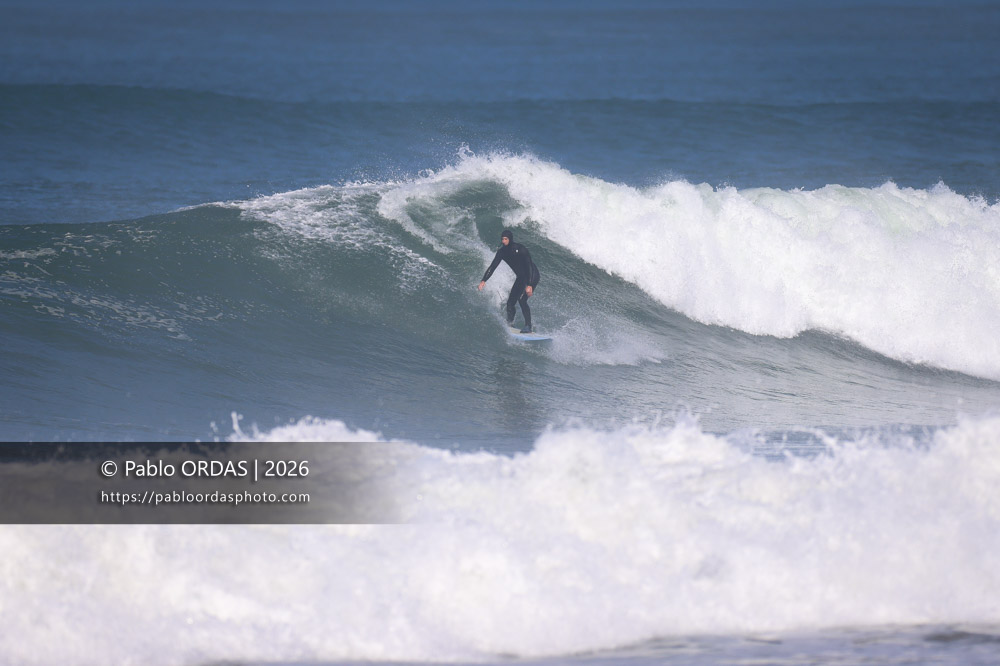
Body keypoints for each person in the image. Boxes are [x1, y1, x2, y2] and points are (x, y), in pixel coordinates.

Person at [478, 229, 540, 333]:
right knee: (510, 303)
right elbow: (492, 267)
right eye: (502, 239)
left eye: (505, 239)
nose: (503, 241)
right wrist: (484, 280)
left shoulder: (520, 249)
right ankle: (510, 324)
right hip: (521, 277)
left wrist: (529, 285)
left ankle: (528, 326)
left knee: (522, 299)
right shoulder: (502, 252)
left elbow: (529, 265)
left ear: (510, 239)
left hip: (532, 275)